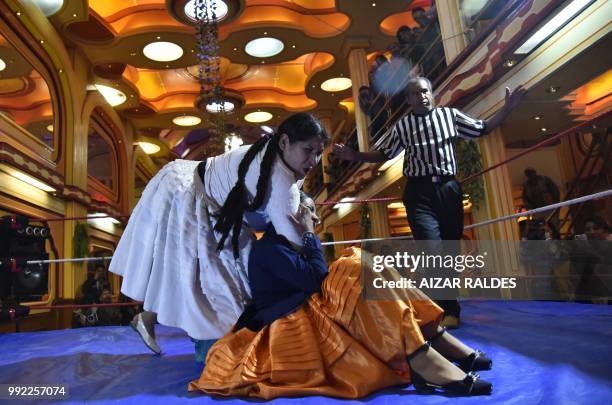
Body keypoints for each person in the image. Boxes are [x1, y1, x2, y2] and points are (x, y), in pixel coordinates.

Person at [189, 193, 492, 399]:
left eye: (311, 210)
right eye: (306, 210)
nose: (314, 216)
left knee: (362, 264)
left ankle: (430, 338)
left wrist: (309, 239)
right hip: (287, 323)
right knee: (354, 265)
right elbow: (318, 279)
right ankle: (421, 355)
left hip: (309, 310)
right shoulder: (270, 247)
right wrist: (309, 236)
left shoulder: (289, 243)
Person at [109, 113, 329, 354]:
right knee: (222, 295)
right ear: (285, 142)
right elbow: (307, 263)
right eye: (308, 150)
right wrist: (309, 232)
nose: (314, 160)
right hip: (188, 197)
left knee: (193, 277)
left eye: (319, 152)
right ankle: (213, 355)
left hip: (200, 194)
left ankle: (149, 320)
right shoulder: (282, 184)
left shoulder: (275, 151)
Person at [333, 76, 526, 328]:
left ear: (431, 93)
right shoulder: (403, 127)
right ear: (409, 99)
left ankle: (444, 307)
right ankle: (444, 309)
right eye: (416, 93)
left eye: (425, 91)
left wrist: (507, 109)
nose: (422, 96)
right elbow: (384, 153)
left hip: (448, 189)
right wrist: (354, 155)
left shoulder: (450, 116)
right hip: (419, 193)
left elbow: (483, 128)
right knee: (432, 249)